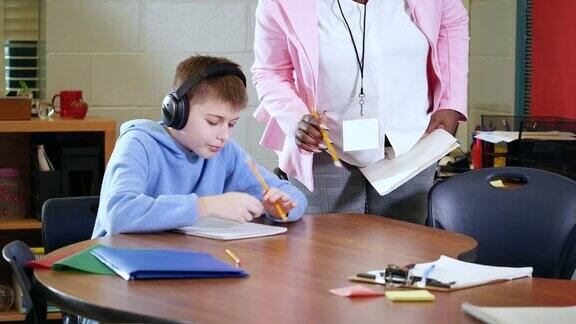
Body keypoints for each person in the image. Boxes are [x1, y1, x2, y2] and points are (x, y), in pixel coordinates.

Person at [251, 0, 469, 224]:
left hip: (411, 142)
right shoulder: (280, 3)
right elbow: (270, 72)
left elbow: (452, 21)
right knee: (331, 251)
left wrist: (451, 101)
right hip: (325, 145)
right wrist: (295, 119)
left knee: (403, 250)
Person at [92, 55, 307, 238]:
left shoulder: (225, 152)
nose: (224, 135)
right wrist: (206, 206)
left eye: (231, 124)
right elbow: (118, 214)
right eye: (213, 122)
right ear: (176, 111)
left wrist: (281, 208)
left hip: (178, 265)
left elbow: (292, 195)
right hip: (117, 267)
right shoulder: (139, 144)